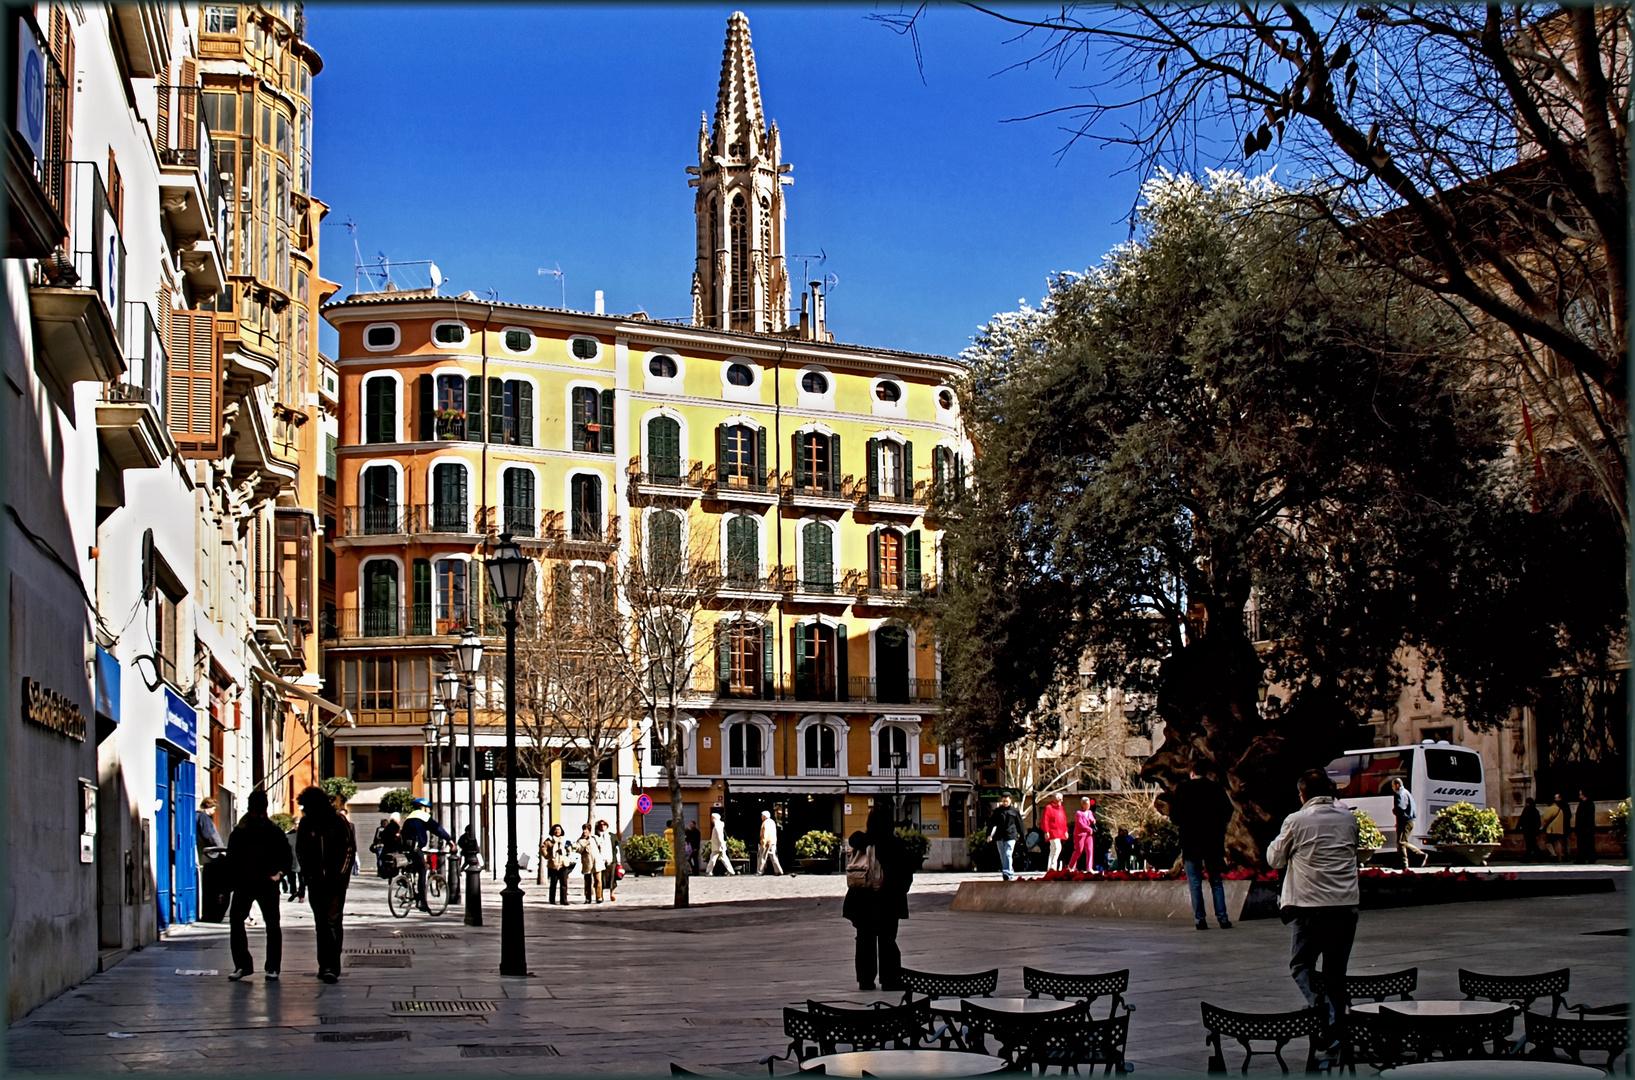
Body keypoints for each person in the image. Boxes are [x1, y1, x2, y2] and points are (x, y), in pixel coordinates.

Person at [1267, 769, 1360, 1064]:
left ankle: (1328, 1015)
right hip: (1345, 906)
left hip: (1309, 907)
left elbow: (1275, 858)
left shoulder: (1296, 820)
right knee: (1336, 971)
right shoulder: (1348, 818)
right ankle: (1338, 1021)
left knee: (1300, 964)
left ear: (1303, 794)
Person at [842, 805, 915, 992]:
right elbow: (906, 874)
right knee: (888, 940)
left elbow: (853, 838)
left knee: (864, 940)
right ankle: (889, 979)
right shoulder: (895, 844)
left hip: (863, 900)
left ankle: (865, 980)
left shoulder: (862, 840)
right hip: (888, 900)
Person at [225, 790, 291, 981]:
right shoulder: (242, 831)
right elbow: (232, 859)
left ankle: (265, 966)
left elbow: (285, 856)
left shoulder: (269, 830)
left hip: (263, 882)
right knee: (243, 922)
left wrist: (279, 873)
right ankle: (247, 965)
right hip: (247, 883)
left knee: (270, 924)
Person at [295, 785, 355, 983]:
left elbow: (349, 849)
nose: (303, 810)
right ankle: (324, 964)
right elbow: (300, 851)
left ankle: (332, 966)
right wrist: (307, 876)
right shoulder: (305, 825)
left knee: (332, 922)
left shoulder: (338, 821)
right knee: (320, 923)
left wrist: (341, 875)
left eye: (305, 806)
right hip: (315, 881)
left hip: (336, 882)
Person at [1171, 762, 1234, 930]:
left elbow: (1174, 817)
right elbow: (1228, 811)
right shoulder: (1216, 789)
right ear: (1206, 773)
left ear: (1192, 773)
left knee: (1194, 882)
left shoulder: (1183, 789)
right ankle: (1223, 918)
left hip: (1191, 842)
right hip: (1212, 841)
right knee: (1216, 881)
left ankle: (1200, 919)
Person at [400, 798, 453, 911]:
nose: (428, 811)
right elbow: (437, 829)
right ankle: (422, 901)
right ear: (423, 808)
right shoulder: (423, 817)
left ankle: (406, 878)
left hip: (406, 847)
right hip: (416, 847)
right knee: (422, 870)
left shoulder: (408, 818)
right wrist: (449, 839)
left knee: (414, 866)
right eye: (428, 808)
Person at [197, 796, 229, 922]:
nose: (214, 812)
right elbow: (211, 836)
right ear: (209, 807)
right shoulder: (204, 818)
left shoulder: (196, 816)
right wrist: (221, 849)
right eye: (214, 809)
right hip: (211, 857)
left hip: (203, 856)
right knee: (214, 888)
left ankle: (208, 914)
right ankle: (212, 915)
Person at [986, 795, 1026, 881]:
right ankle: (1009, 870)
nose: (1005, 803)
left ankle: (1007, 873)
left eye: (1006, 801)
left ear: (1010, 801)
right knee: (1003, 855)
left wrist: (1022, 837)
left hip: (1011, 836)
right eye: (1003, 801)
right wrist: (988, 835)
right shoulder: (997, 811)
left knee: (1008, 853)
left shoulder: (1015, 811)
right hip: (999, 836)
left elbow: (1020, 825)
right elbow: (992, 824)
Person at [1389, 778, 1425, 868]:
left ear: (1397, 785)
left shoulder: (1399, 794)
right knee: (1402, 842)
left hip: (1405, 821)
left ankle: (1406, 862)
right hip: (1409, 820)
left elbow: (1401, 808)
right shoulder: (1406, 792)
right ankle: (1410, 859)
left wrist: (1394, 811)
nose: (1392, 787)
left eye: (1393, 785)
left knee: (1401, 842)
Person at [543, 823, 573, 905]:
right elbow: (543, 850)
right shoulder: (549, 841)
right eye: (555, 829)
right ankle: (552, 900)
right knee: (553, 883)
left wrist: (568, 849)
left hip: (563, 864)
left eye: (559, 829)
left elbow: (570, 850)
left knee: (564, 883)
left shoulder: (565, 840)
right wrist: (550, 855)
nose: (557, 831)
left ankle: (564, 900)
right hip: (553, 864)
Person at [576, 822, 606, 902]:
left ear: (589, 831)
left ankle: (599, 897)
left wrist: (601, 856)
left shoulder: (594, 838)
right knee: (587, 882)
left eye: (586, 830)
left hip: (597, 862)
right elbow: (578, 850)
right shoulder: (580, 840)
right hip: (587, 863)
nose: (584, 832)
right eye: (584, 830)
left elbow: (601, 847)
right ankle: (588, 898)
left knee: (598, 881)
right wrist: (585, 844)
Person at [1067, 797, 1097, 873]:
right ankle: (1070, 866)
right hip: (1081, 834)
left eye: (1089, 804)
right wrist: (1089, 829)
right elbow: (1080, 824)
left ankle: (1089, 868)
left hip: (1089, 835)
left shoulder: (1090, 812)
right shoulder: (1079, 813)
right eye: (1087, 804)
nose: (1088, 806)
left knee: (1090, 850)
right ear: (1083, 804)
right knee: (1079, 850)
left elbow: (1093, 820)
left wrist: (1093, 821)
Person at [1040, 794, 1068, 871]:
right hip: (1052, 831)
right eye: (1059, 799)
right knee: (1057, 847)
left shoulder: (1061, 809)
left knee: (1053, 849)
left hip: (1060, 831)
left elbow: (1064, 820)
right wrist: (1046, 831)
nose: (1061, 801)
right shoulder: (1048, 808)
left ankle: (1050, 867)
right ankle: (1053, 865)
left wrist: (1065, 830)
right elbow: (1045, 820)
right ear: (1055, 799)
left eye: (1062, 799)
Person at [704, 812, 736, 876]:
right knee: (723, 858)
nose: (711, 819)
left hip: (717, 846)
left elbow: (719, 836)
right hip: (718, 845)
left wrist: (721, 844)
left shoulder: (717, 825)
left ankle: (708, 871)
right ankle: (731, 871)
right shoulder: (718, 824)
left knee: (713, 859)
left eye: (712, 817)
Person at [595, 820, 619, 900]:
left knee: (612, 878)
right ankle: (600, 895)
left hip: (611, 859)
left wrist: (618, 860)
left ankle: (612, 894)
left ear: (607, 826)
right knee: (601, 878)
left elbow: (616, 848)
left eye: (604, 824)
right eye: (601, 825)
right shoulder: (596, 836)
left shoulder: (612, 836)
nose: (602, 826)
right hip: (600, 860)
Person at [1540, 794, 1567, 861]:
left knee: (1548, 842)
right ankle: (1559, 856)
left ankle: (1553, 854)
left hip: (1551, 829)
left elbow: (1546, 818)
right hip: (1559, 829)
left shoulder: (1550, 809)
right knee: (1557, 842)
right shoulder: (1559, 809)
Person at [757, 810, 784, 875]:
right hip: (772, 842)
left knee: (762, 857)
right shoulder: (772, 822)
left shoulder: (765, 823)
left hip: (766, 842)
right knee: (774, 857)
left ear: (764, 816)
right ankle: (779, 871)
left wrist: (763, 842)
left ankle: (760, 871)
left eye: (762, 815)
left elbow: (765, 833)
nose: (761, 817)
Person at [1575, 791, 1597, 864]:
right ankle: (1582, 858)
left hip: (1586, 828)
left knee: (1588, 844)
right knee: (1582, 844)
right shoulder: (1582, 803)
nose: (1579, 796)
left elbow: (1588, 817)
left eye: (1581, 794)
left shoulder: (1589, 804)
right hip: (1582, 828)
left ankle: (1590, 858)